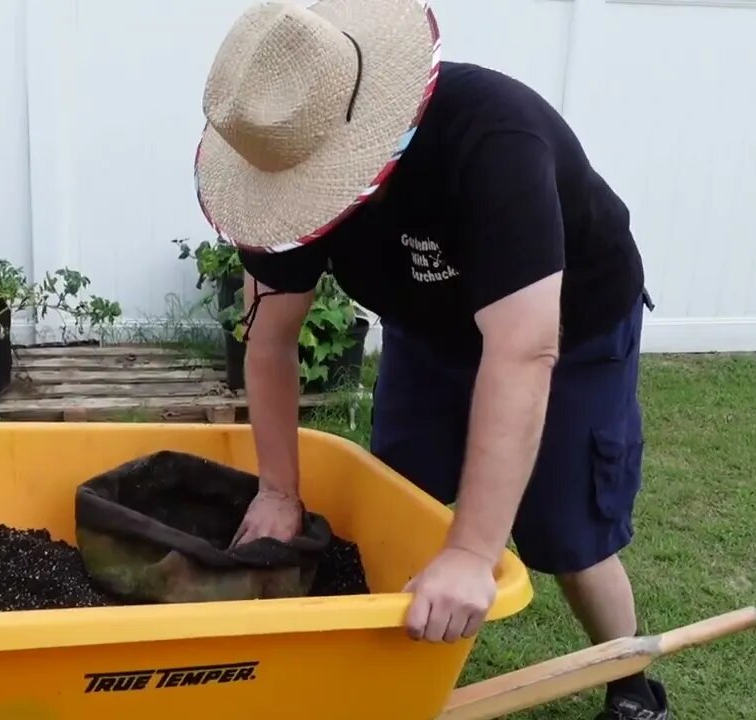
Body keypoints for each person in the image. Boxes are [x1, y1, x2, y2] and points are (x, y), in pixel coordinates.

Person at [193, 1, 666, 718]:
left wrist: (474, 554)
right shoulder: (280, 149)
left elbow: (525, 347)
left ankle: (634, 687)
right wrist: (278, 491)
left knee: (565, 531)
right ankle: (377, 677)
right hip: (429, 329)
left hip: (569, 330)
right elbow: (270, 338)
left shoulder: (492, 140)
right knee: (397, 497)